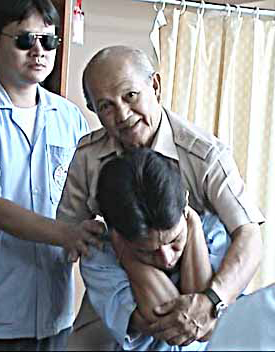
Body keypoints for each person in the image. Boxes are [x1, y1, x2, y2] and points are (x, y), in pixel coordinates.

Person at [57, 45, 265, 350]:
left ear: (154, 85)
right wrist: (121, 254)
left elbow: (249, 234)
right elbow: (70, 234)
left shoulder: (204, 155)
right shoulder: (88, 158)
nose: (123, 115)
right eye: (106, 106)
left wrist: (212, 300)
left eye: (130, 96)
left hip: (203, 288)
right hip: (124, 297)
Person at [0, 1, 103, 351]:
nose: (38, 52)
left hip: (52, 313)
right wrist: (68, 234)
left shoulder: (70, 119)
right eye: (25, 40)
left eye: (48, 41)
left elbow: (90, 193)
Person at [79, 147, 231, 351]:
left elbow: (204, 329)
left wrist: (193, 225)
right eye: (147, 251)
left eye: (175, 240)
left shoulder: (212, 232)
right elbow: (173, 325)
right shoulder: (99, 257)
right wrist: (128, 260)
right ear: (119, 237)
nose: (167, 258)